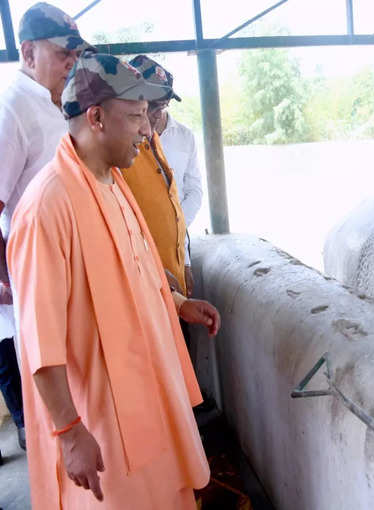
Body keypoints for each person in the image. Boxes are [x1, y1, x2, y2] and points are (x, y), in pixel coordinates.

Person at [8, 52, 221, 508]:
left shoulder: (111, 180)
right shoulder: (47, 207)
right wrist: (68, 432)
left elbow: (135, 267)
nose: (147, 131)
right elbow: (38, 338)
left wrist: (178, 301)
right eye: (136, 117)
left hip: (148, 393)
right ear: (97, 117)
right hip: (102, 419)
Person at [0, 1, 91, 454]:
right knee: (59, 413)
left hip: (74, 279)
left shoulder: (57, 105)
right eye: (62, 54)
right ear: (28, 51)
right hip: (39, 281)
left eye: (74, 56)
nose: (70, 63)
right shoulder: (11, 108)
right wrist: (5, 280)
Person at [129, 55, 204, 297]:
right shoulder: (126, 148)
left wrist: (186, 259)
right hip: (141, 266)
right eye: (153, 106)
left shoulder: (182, 137)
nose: (158, 114)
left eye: (164, 105)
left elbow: (193, 192)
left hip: (178, 253)